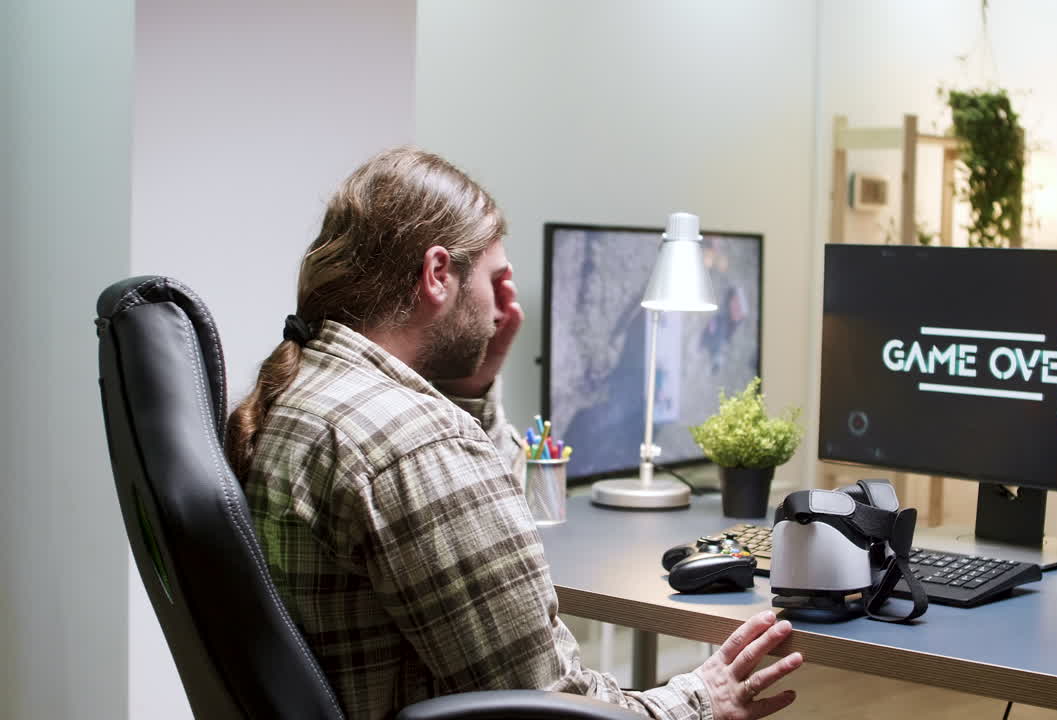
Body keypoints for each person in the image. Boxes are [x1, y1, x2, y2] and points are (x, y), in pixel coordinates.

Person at [226, 147, 804, 720]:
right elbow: (549, 707)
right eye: (496, 279)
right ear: (437, 275)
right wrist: (702, 698)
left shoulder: (305, 392)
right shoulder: (413, 445)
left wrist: (474, 388)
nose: (501, 309)